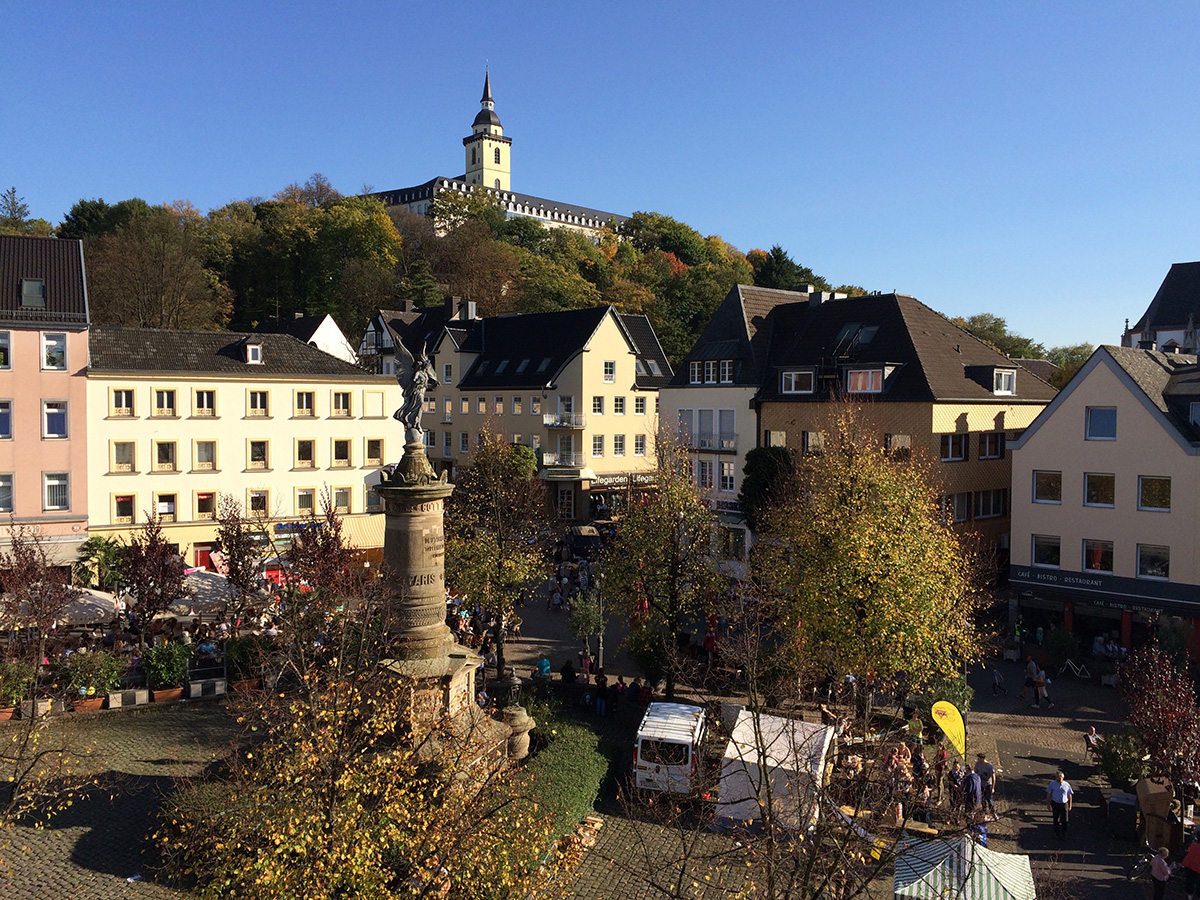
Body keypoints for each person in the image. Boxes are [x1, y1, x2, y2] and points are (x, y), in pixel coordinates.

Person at [1046, 770, 1073, 837]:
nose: (1059, 779)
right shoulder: (1052, 784)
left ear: (1063, 777)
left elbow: (1069, 795)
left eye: (1060, 777)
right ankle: (1057, 833)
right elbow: (1049, 794)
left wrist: (1070, 805)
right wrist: (1048, 804)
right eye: (1057, 777)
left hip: (1064, 804)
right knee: (1056, 819)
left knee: (1065, 819)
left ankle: (1063, 833)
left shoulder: (1067, 785)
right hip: (1055, 803)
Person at [1181, 827, 1200, 900]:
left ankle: (1189, 895)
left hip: (1189, 865)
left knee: (1189, 881)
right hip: (1197, 867)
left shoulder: (1193, 845)